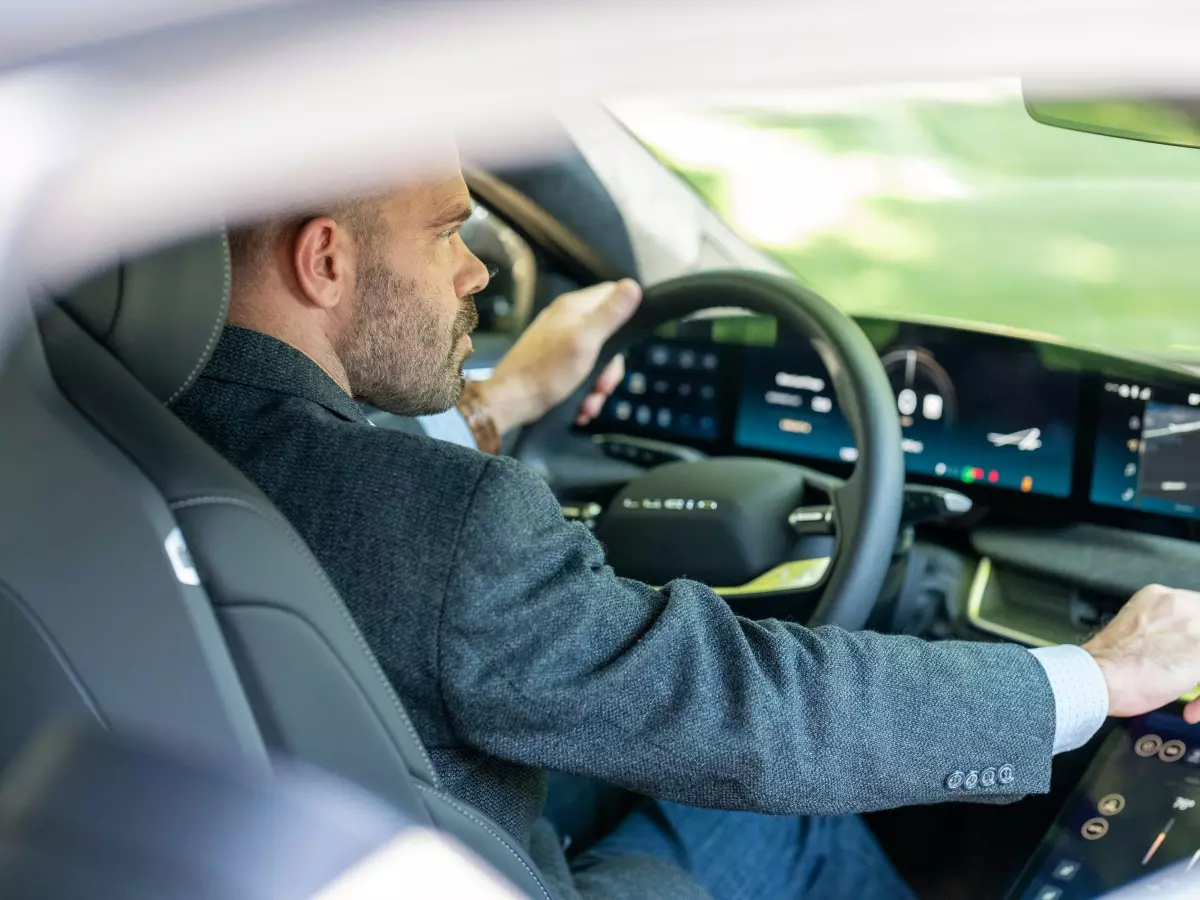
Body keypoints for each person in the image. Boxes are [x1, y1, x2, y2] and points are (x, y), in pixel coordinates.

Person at [173, 155, 1200, 900]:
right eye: (448, 234)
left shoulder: (129, 420)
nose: (479, 272)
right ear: (324, 261)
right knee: (773, 811)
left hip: (308, 827)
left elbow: (369, 534)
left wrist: (508, 398)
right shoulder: (449, 518)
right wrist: (1093, 678)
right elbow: (750, 712)